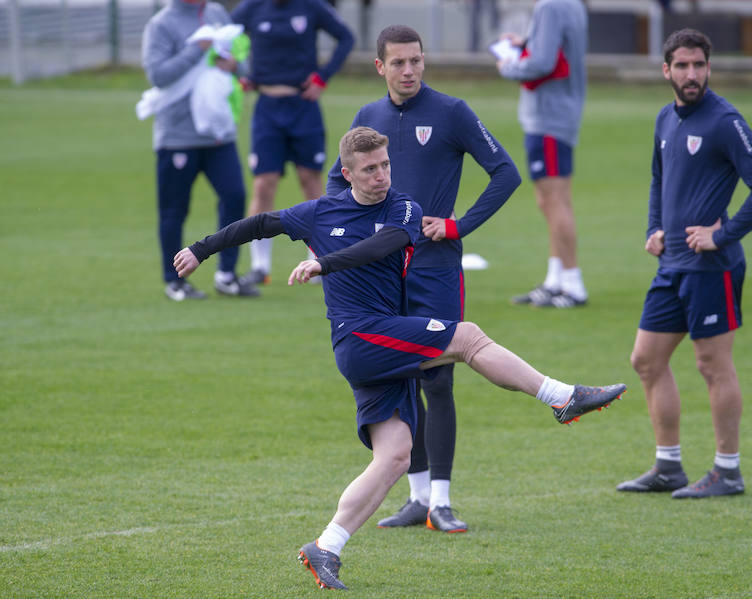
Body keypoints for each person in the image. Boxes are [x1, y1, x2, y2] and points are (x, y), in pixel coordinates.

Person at [174, 127, 626, 590]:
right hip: (360, 338)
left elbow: (384, 245)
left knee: (394, 457)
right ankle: (562, 397)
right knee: (467, 338)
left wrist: (324, 263)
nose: (381, 176)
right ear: (347, 173)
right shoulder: (319, 213)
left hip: (381, 339)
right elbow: (259, 224)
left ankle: (326, 546)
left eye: (386, 165)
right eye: (370, 169)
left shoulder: (404, 208)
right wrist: (199, 249)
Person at [326, 25, 521, 533]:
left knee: (438, 374)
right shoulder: (368, 119)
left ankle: (442, 500)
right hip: (383, 274)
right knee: (398, 374)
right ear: (380, 67)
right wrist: (340, 238)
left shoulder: (452, 112)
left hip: (435, 266)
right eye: (398, 63)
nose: (409, 70)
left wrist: (457, 225)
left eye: (416, 61)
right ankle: (415, 498)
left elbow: (505, 172)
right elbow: (334, 183)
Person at [617, 29, 752, 498]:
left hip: (714, 268)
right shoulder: (665, 120)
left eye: (699, 65)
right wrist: (654, 228)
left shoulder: (725, 121)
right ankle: (668, 466)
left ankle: (727, 470)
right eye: (683, 66)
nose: (692, 74)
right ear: (665, 70)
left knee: (712, 366)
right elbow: (658, 177)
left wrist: (721, 235)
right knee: (646, 360)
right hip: (672, 265)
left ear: (709, 68)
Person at [231, 0, 354, 286]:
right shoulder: (252, 7)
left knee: (310, 181)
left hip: (303, 107)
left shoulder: (311, 6)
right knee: (263, 184)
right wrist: (242, 73)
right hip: (267, 109)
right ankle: (260, 267)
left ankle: (318, 260)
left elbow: (346, 37)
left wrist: (322, 77)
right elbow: (224, 37)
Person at [142, 0, 259, 301]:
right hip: (178, 137)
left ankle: (227, 275)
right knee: (174, 209)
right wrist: (198, 48)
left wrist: (235, 66)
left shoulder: (217, 13)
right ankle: (175, 281)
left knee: (234, 196)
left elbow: (240, 61)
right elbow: (158, 75)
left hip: (219, 134)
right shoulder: (161, 24)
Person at [496, 0, 588, 308]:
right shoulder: (571, 4)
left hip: (549, 117)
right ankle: (556, 279)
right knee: (550, 200)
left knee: (554, 200)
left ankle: (573, 284)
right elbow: (556, 49)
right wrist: (525, 44)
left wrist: (509, 67)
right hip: (559, 114)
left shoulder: (550, 6)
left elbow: (543, 63)